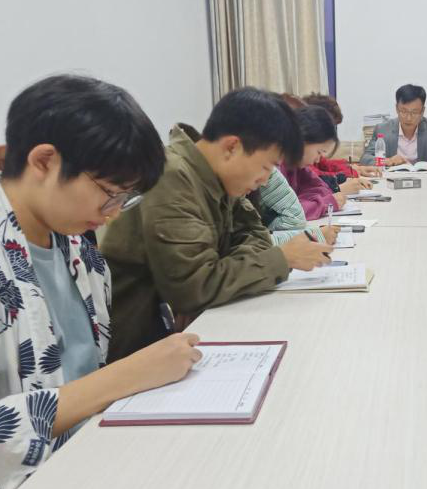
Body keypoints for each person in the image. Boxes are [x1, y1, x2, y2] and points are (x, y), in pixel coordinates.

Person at [0, 75, 203, 489]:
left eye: (126, 197)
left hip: (90, 468)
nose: (115, 211)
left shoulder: (76, 246)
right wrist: (123, 377)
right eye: (110, 192)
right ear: (44, 161)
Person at [102, 87, 332, 360]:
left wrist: (228, 266)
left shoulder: (218, 178)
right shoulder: (173, 177)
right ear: (232, 147)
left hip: (179, 338)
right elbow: (195, 288)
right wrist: (281, 258)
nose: (265, 180)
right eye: (266, 167)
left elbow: (256, 239)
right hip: (135, 352)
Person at [279, 106, 371, 219]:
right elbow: (287, 213)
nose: (317, 160)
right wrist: (325, 203)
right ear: (302, 139)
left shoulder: (298, 166)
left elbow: (320, 188)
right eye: (319, 152)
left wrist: (312, 203)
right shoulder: (276, 166)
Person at [360, 84, 427, 170]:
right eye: (404, 111)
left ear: (422, 111)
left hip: (425, 178)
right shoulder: (382, 129)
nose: (408, 118)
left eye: (414, 112)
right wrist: (388, 161)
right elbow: (365, 158)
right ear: (397, 108)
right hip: (392, 178)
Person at [301, 93, 382, 179]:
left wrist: (354, 168)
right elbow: (316, 176)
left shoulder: (312, 150)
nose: (330, 133)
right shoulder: (303, 151)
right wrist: (351, 172)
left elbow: (325, 164)